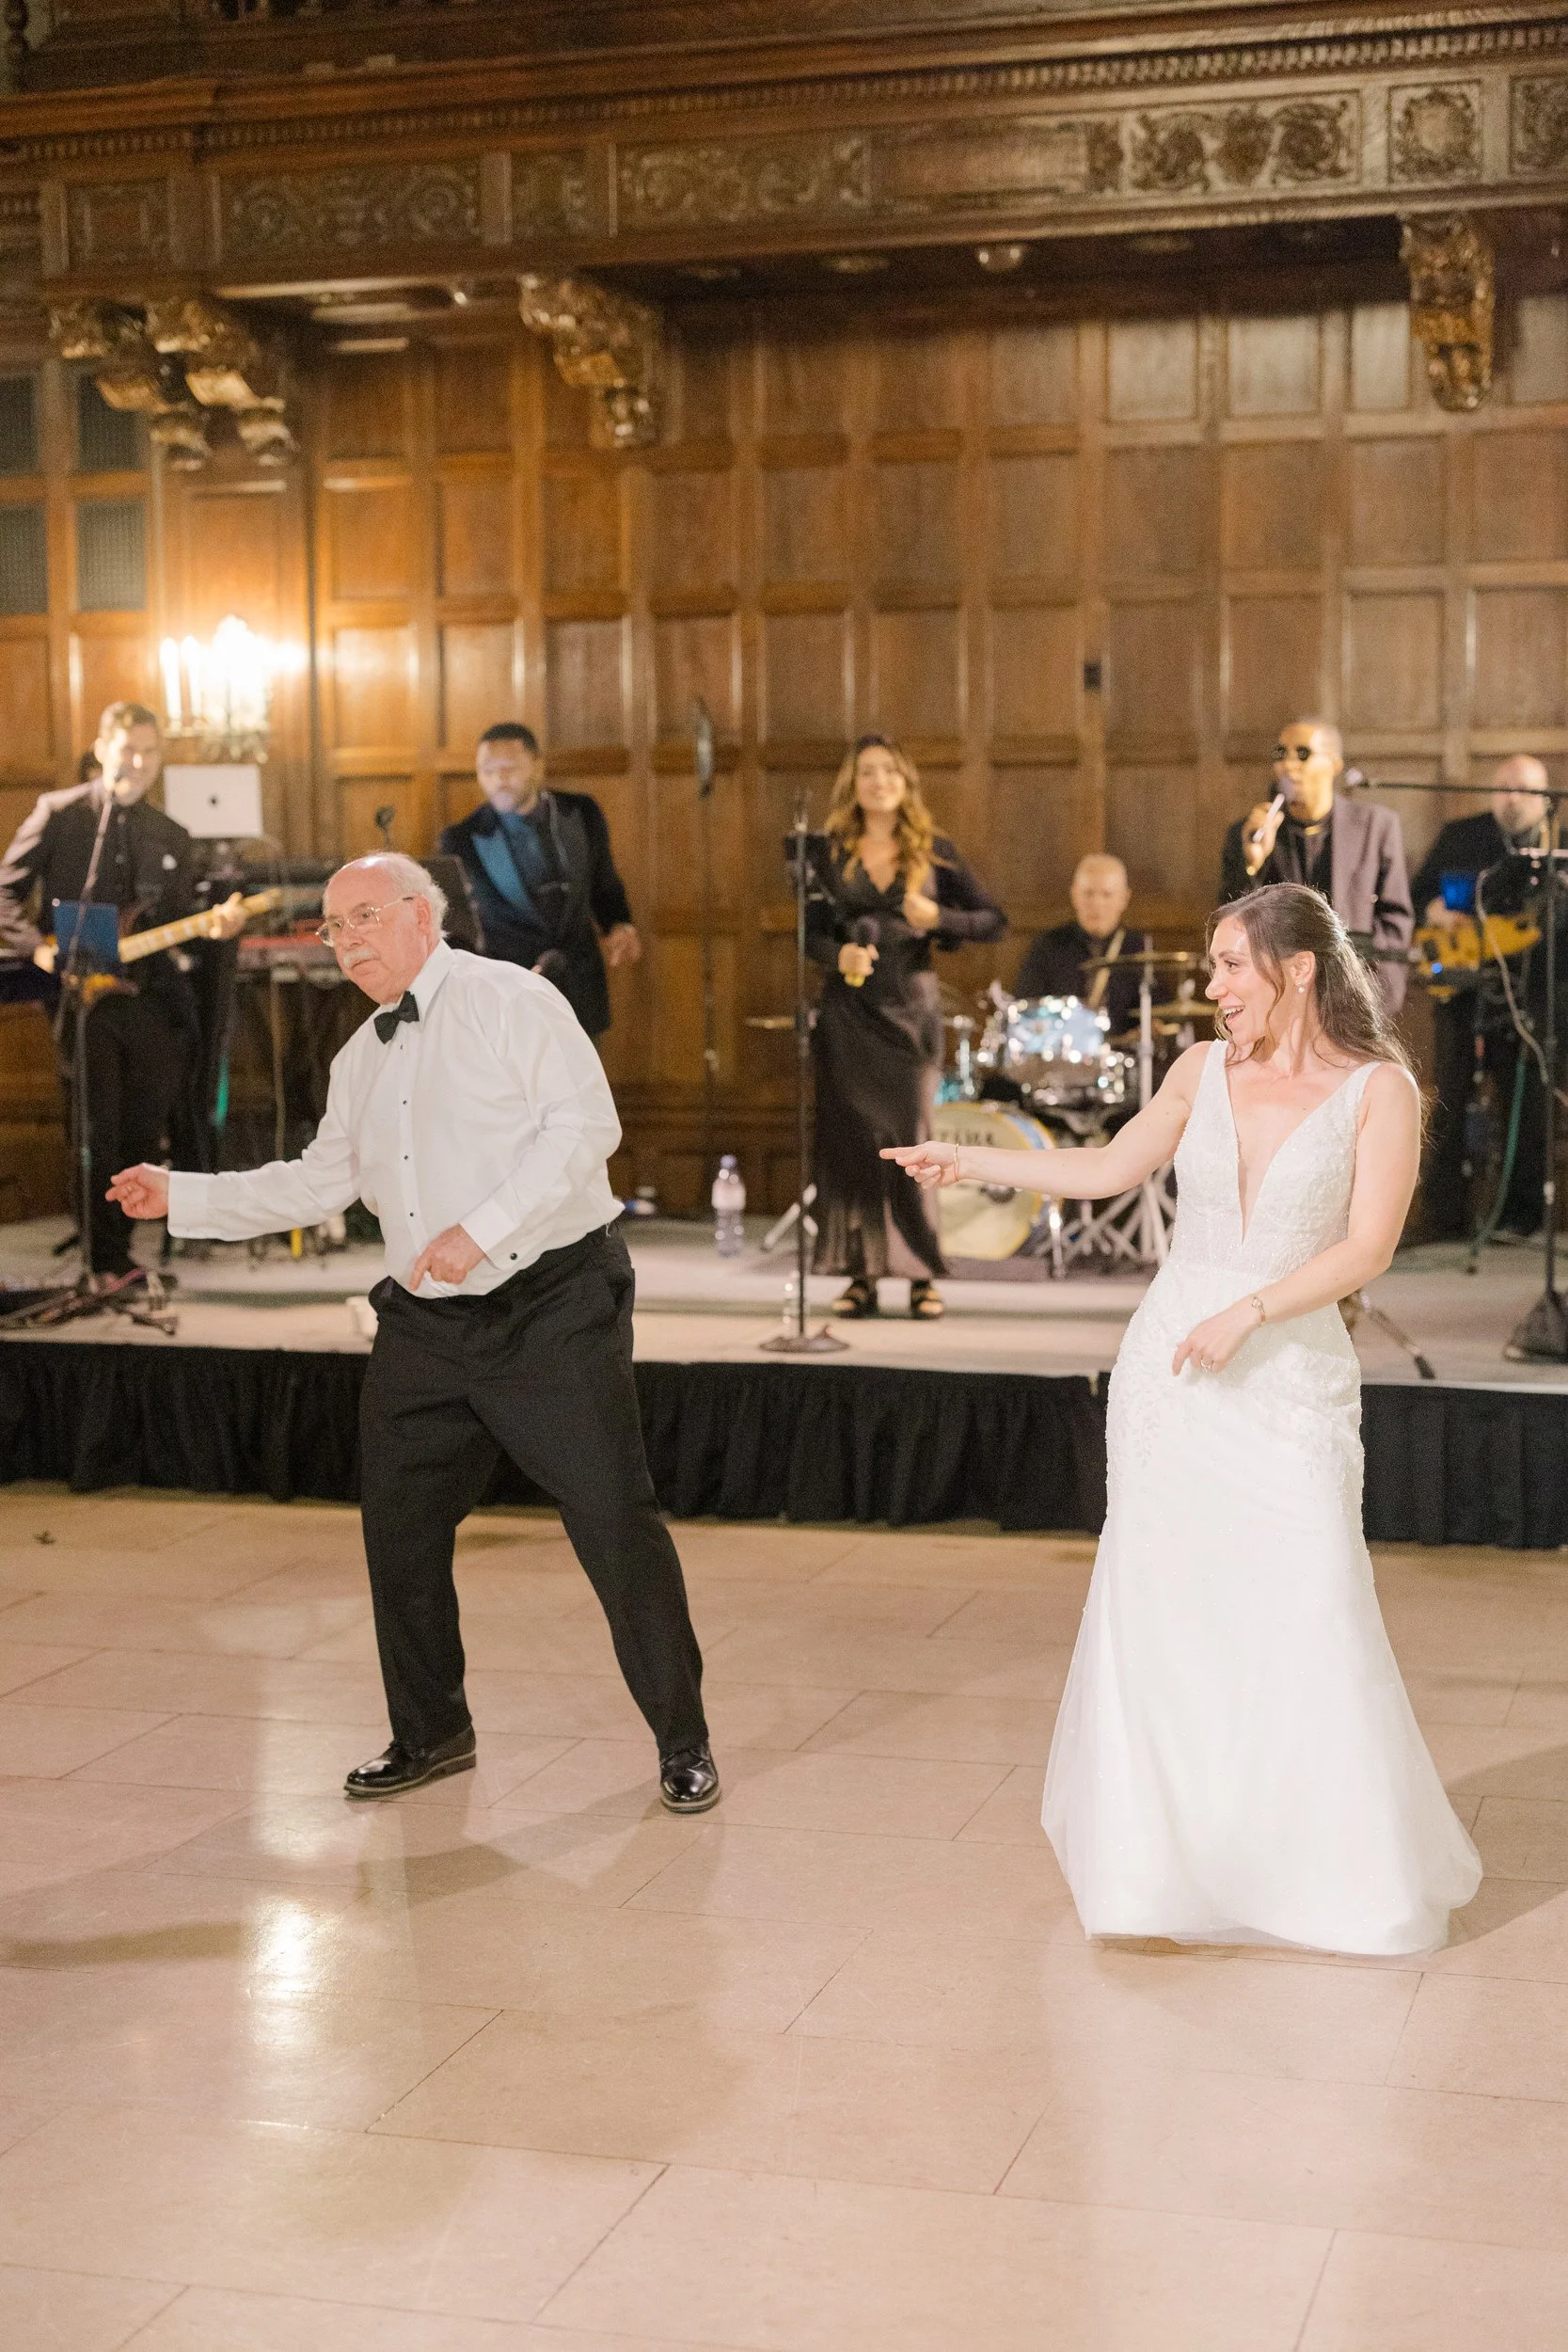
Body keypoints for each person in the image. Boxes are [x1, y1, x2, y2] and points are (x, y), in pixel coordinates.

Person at [884, 882, 1480, 1954]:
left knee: (1306, 1601)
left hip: (1288, 1368)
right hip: (1171, 1370)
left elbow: (1366, 1249)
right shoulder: (1196, 1071)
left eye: (1228, 968)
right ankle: (1166, 1863)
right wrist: (966, 1158)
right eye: (1212, 968)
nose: (1211, 990)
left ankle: (1319, 1867)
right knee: (1166, 1609)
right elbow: (1106, 1165)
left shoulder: (1377, 1090)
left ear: (1296, 970)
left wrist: (1249, 1309)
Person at [107, 851, 718, 1815]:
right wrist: (179, 1194)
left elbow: (583, 1129)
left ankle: (682, 1740)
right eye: (331, 928)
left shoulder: (512, 1001)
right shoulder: (360, 1059)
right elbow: (314, 1183)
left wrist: (479, 1231)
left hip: (551, 1305)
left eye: (360, 919)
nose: (342, 940)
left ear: (420, 917)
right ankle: (430, 1730)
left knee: (612, 1521)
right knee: (398, 1529)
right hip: (426, 1329)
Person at [0, 702, 240, 1278]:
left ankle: (120, 1255)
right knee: (95, 1133)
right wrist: (37, 947)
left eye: (150, 752)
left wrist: (214, 927)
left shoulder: (172, 835)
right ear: (103, 749)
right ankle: (101, 1260)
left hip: (154, 1006)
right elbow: (4, 895)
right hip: (85, 1005)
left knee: (140, 1135)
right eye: (128, 749)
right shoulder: (59, 815)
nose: (138, 762)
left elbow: (178, 925)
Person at [809, 733, 1006, 1321]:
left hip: (909, 1013)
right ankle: (860, 1276)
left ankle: (921, 1274)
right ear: (853, 785)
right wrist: (835, 955)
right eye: (868, 773)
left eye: (889, 772)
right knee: (850, 1147)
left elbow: (994, 921)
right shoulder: (827, 852)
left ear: (905, 783)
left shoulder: (936, 850)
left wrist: (938, 916)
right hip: (847, 1013)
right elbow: (810, 931)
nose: (879, 782)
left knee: (911, 1139)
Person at [1409, 754, 1554, 1241]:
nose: (1511, 797)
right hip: (1464, 988)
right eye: (1503, 786)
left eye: (1524, 789)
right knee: (1449, 1097)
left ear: (1546, 797)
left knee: (1526, 1103)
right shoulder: (1460, 836)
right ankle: (1444, 1217)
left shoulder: (1558, 846)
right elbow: (1416, 895)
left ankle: (1520, 1216)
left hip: (1532, 994)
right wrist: (1436, 910)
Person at [437, 723, 641, 1042]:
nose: (498, 780)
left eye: (509, 769)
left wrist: (620, 924)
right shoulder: (461, 838)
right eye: (487, 770)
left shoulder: (581, 812)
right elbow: (457, 925)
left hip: (579, 981)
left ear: (537, 766)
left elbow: (603, 880)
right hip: (509, 989)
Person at [1221, 717, 1413, 1010]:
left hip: (1354, 996)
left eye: (1303, 754)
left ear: (1334, 765)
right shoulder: (1249, 833)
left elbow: (1395, 920)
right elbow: (1231, 921)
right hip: (1280, 998)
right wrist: (1253, 865)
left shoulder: (1376, 826)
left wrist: (1372, 996)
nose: (1288, 764)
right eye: (1280, 754)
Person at [1014, 852, 1141, 1032]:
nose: (1097, 904)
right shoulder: (1048, 946)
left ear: (1124, 899)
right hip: (1061, 1053)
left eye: (1107, 895)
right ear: (1074, 895)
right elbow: (1026, 1008)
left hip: (1122, 1053)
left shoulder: (1138, 949)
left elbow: (1160, 1012)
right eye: (1088, 894)